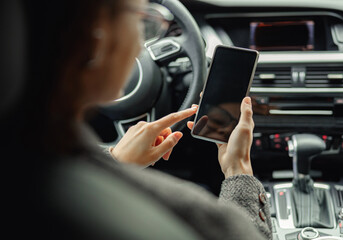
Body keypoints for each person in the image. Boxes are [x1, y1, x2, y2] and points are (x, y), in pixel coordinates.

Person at [9, 0, 272, 239]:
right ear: (95, 40)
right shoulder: (197, 220)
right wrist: (238, 168)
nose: (141, 44)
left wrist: (115, 162)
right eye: (141, 20)